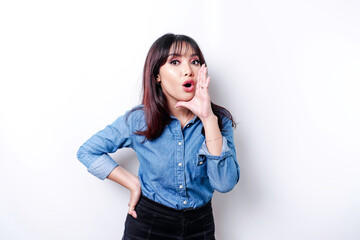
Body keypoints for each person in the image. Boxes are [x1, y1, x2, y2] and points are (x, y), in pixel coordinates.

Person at [77, 33, 240, 239]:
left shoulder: (218, 121)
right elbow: (87, 151)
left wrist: (208, 119)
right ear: (157, 76)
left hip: (200, 226)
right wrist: (132, 183)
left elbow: (224, 184)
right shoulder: (139, 119)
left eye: (195, 62)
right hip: (149, 224)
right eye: (175, 62)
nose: (188, 71)